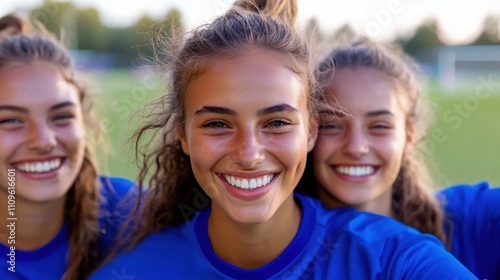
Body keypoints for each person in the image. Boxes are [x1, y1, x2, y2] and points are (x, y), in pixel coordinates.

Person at [89, 1, 476, 279]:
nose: (249, 154)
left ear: (311, 130)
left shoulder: (392, 259)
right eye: (217, 125)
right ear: (183, 137)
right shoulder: (137, 269)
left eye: (276, 122)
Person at [302, 36, 499, 279]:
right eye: (332, 125)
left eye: (379, 126)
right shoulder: (281, 249)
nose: (356, 147)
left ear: (408, 137)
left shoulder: (473, 220)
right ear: (308, 132)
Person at [0, 13, 135, 280]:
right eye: (11, 120)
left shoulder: (132, 213)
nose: (44, 140)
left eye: (61, 116)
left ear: (84, 121)